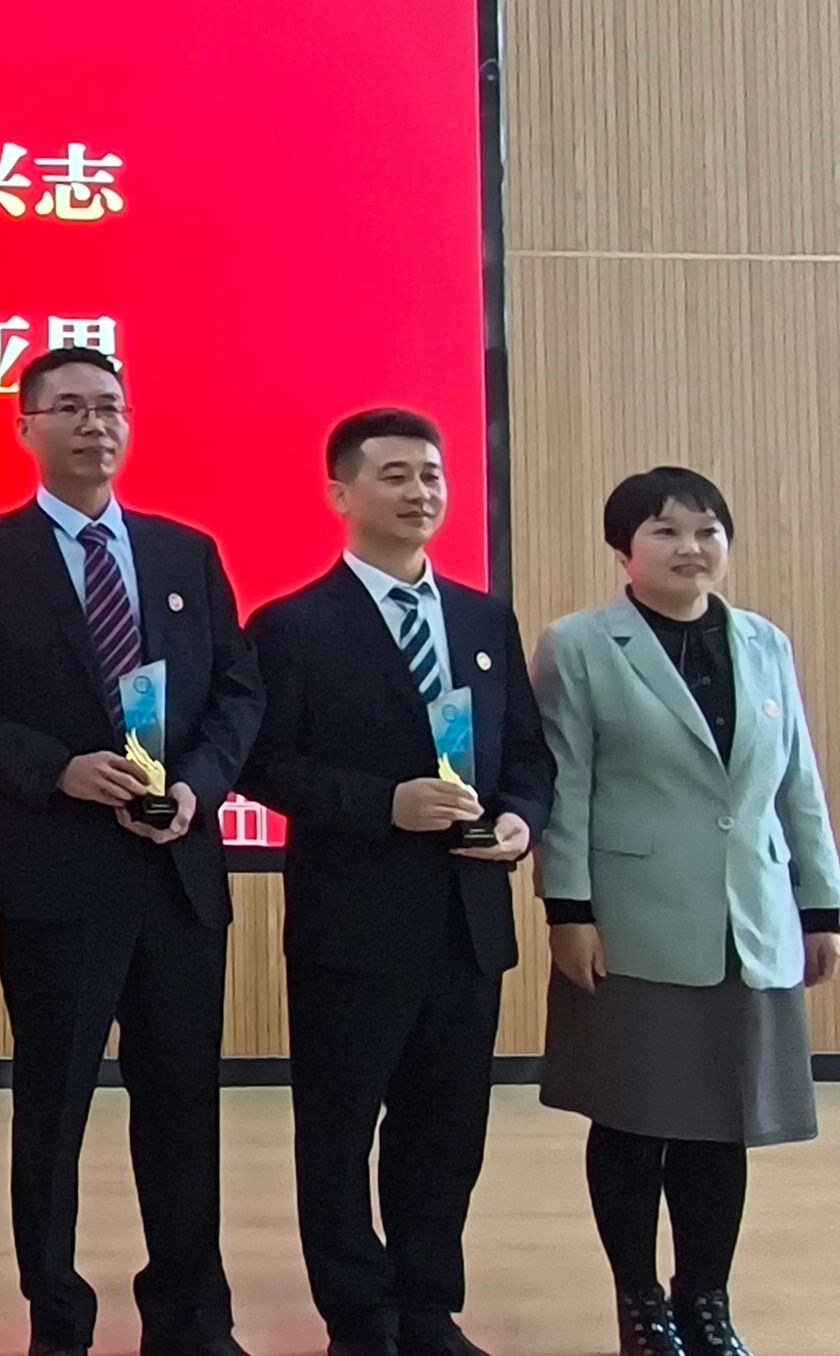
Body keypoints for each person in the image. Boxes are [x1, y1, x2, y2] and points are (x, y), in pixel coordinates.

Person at [0, 347, 263, 1356]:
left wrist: (198, 785)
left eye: (109, 406)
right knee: (54, 1106)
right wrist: (56, 769)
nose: (94, 424)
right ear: (26, 427)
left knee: (183, 1107)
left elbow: (238, 692)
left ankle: (191, 1319)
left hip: (177, 872)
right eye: (68, 408)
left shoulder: (185, 553)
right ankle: (57, 1318)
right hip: (57, 878)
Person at [237, 409, 550, 1356]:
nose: (422, 492)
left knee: (446, 1131)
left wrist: (520, 820)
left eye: (432, 475)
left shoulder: (484, 620)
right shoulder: (292, 626)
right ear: (341, 492)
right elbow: (262, 764)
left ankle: (427, 1309)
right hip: (354, 923)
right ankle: (359, 1316)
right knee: (338, 1133)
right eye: (397, 475)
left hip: (467, 920)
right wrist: (382, 804)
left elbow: (528, 754)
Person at [530, 466, 839, 1356]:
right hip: (632, 924)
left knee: (719, 1127)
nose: (690, 548)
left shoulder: (765, 643)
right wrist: (568, 909)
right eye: (665, 530)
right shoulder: (581, 645)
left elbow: (798, 783)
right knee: (632, 1122)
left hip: (748, 922)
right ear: (623, 549)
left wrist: (821, 905)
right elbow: (567, 787)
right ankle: (639, 1303)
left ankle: (706, 1300)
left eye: (708, 531)